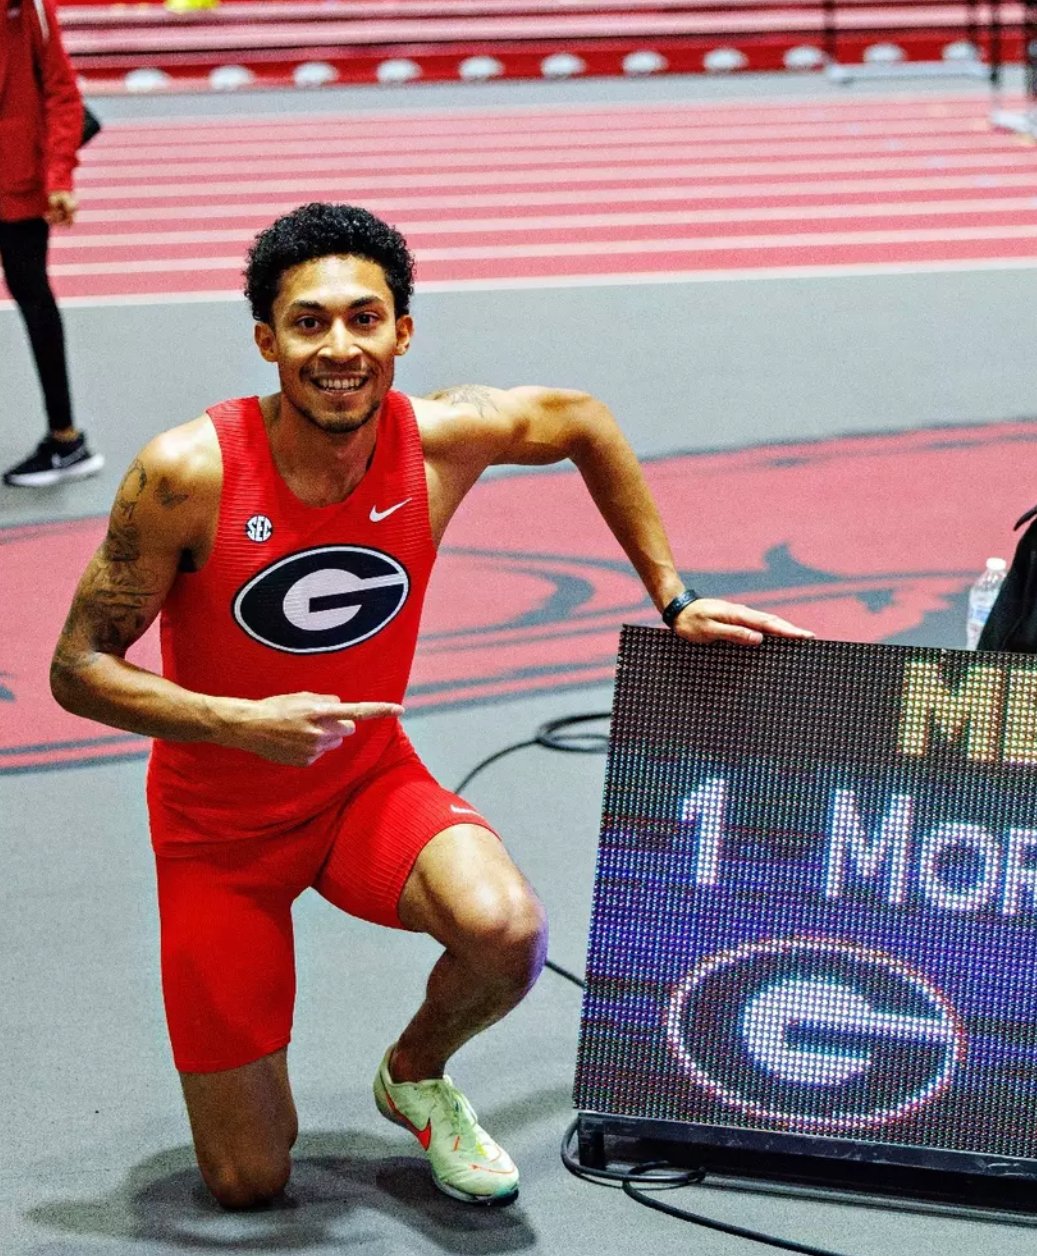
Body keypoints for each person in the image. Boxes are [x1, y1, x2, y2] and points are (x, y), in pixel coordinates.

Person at [46, 202, 811, 1210]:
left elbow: (583, 420)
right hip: (215, 831)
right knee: (246, 1181)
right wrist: (239, 721)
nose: (339, 346)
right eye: (309, 322)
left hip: (363, 782)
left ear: (402, 331)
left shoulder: (444, 439)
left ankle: (412, 1070)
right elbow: (77, 667)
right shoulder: (188, 473)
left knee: (508, 930)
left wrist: (674, 595)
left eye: (365, 319)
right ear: (266, 340)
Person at [1, 0, 97, 487]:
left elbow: (62, 92)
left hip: (15, 185)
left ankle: (66, 440)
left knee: (33, 298)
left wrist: (59, 175)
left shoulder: (29, 10)